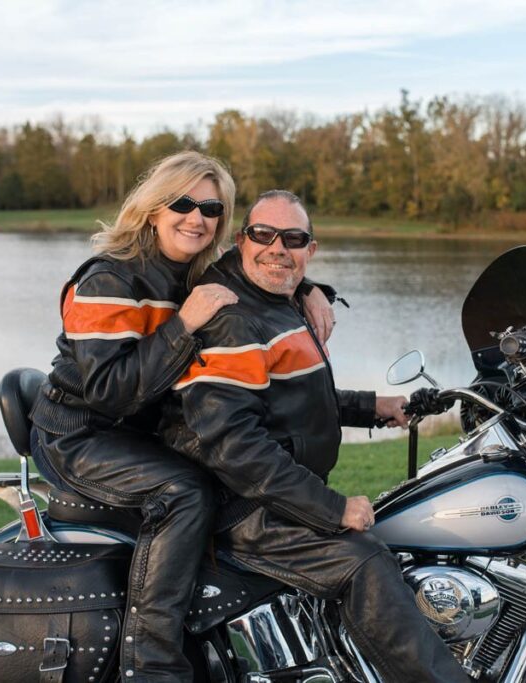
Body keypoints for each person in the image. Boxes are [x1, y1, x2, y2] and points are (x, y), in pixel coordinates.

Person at [29, 154, 335, 683]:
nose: (196, 218)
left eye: (211, 208)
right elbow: (107, 394)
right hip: (80, 434)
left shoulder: (192, 271)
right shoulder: (108, 280)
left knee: (238, 473)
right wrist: (184, 325)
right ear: (154, 209)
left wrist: (310, 289)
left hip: (138, 429)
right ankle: (152, 664)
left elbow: (264, 266)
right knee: (186, 492)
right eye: (183, 204)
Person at [160, 190, 470, 682]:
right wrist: (332, 508)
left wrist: (376, 407)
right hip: (246, 506)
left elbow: (292, 403)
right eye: (263, 235)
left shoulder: (277, 300)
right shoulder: (234, 321)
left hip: (271, 490)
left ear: (311, 249)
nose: (277, 248)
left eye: (293, 238)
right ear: (240, 241)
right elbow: (236, 448)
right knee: (365, 562)